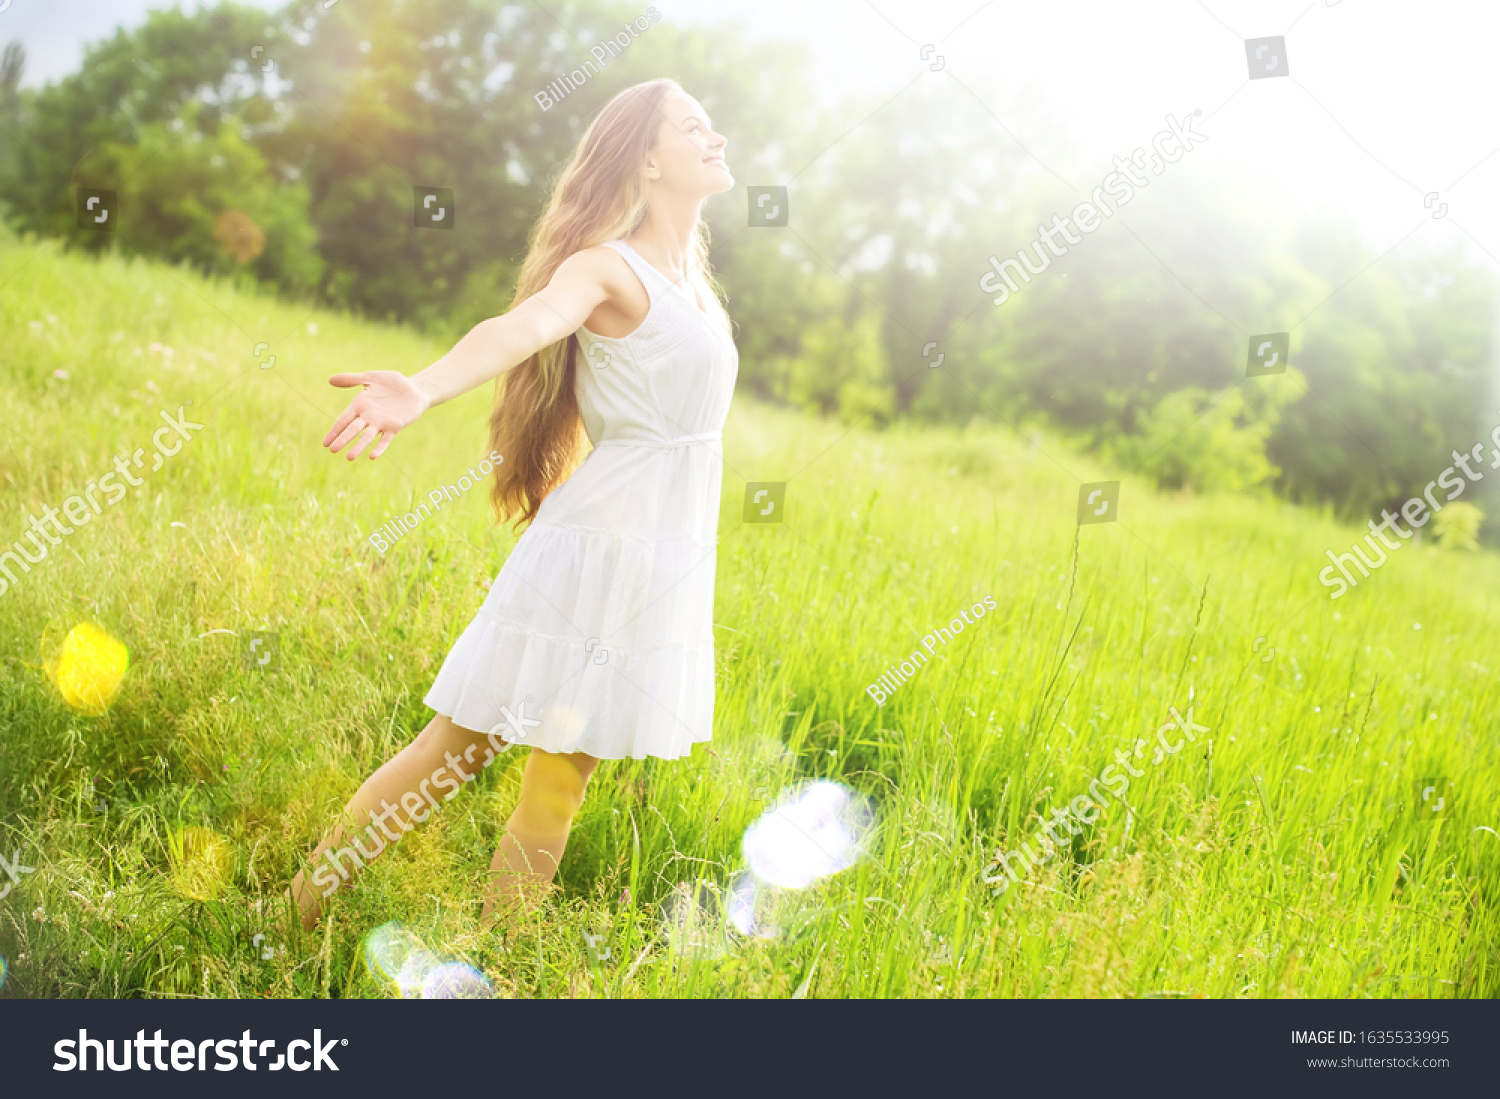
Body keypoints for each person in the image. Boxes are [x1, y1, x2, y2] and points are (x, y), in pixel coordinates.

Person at [289, 78, 737, 931]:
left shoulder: (699, 288)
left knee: (562, 784)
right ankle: (297, 912)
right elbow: (525, 326)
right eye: (694, 126)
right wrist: (419, 388)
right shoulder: (608, 267)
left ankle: (494, 966)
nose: (717, 138)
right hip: (594, 549)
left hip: (657, 562)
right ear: (647, 157)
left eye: (713, 125)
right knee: (451, 753)